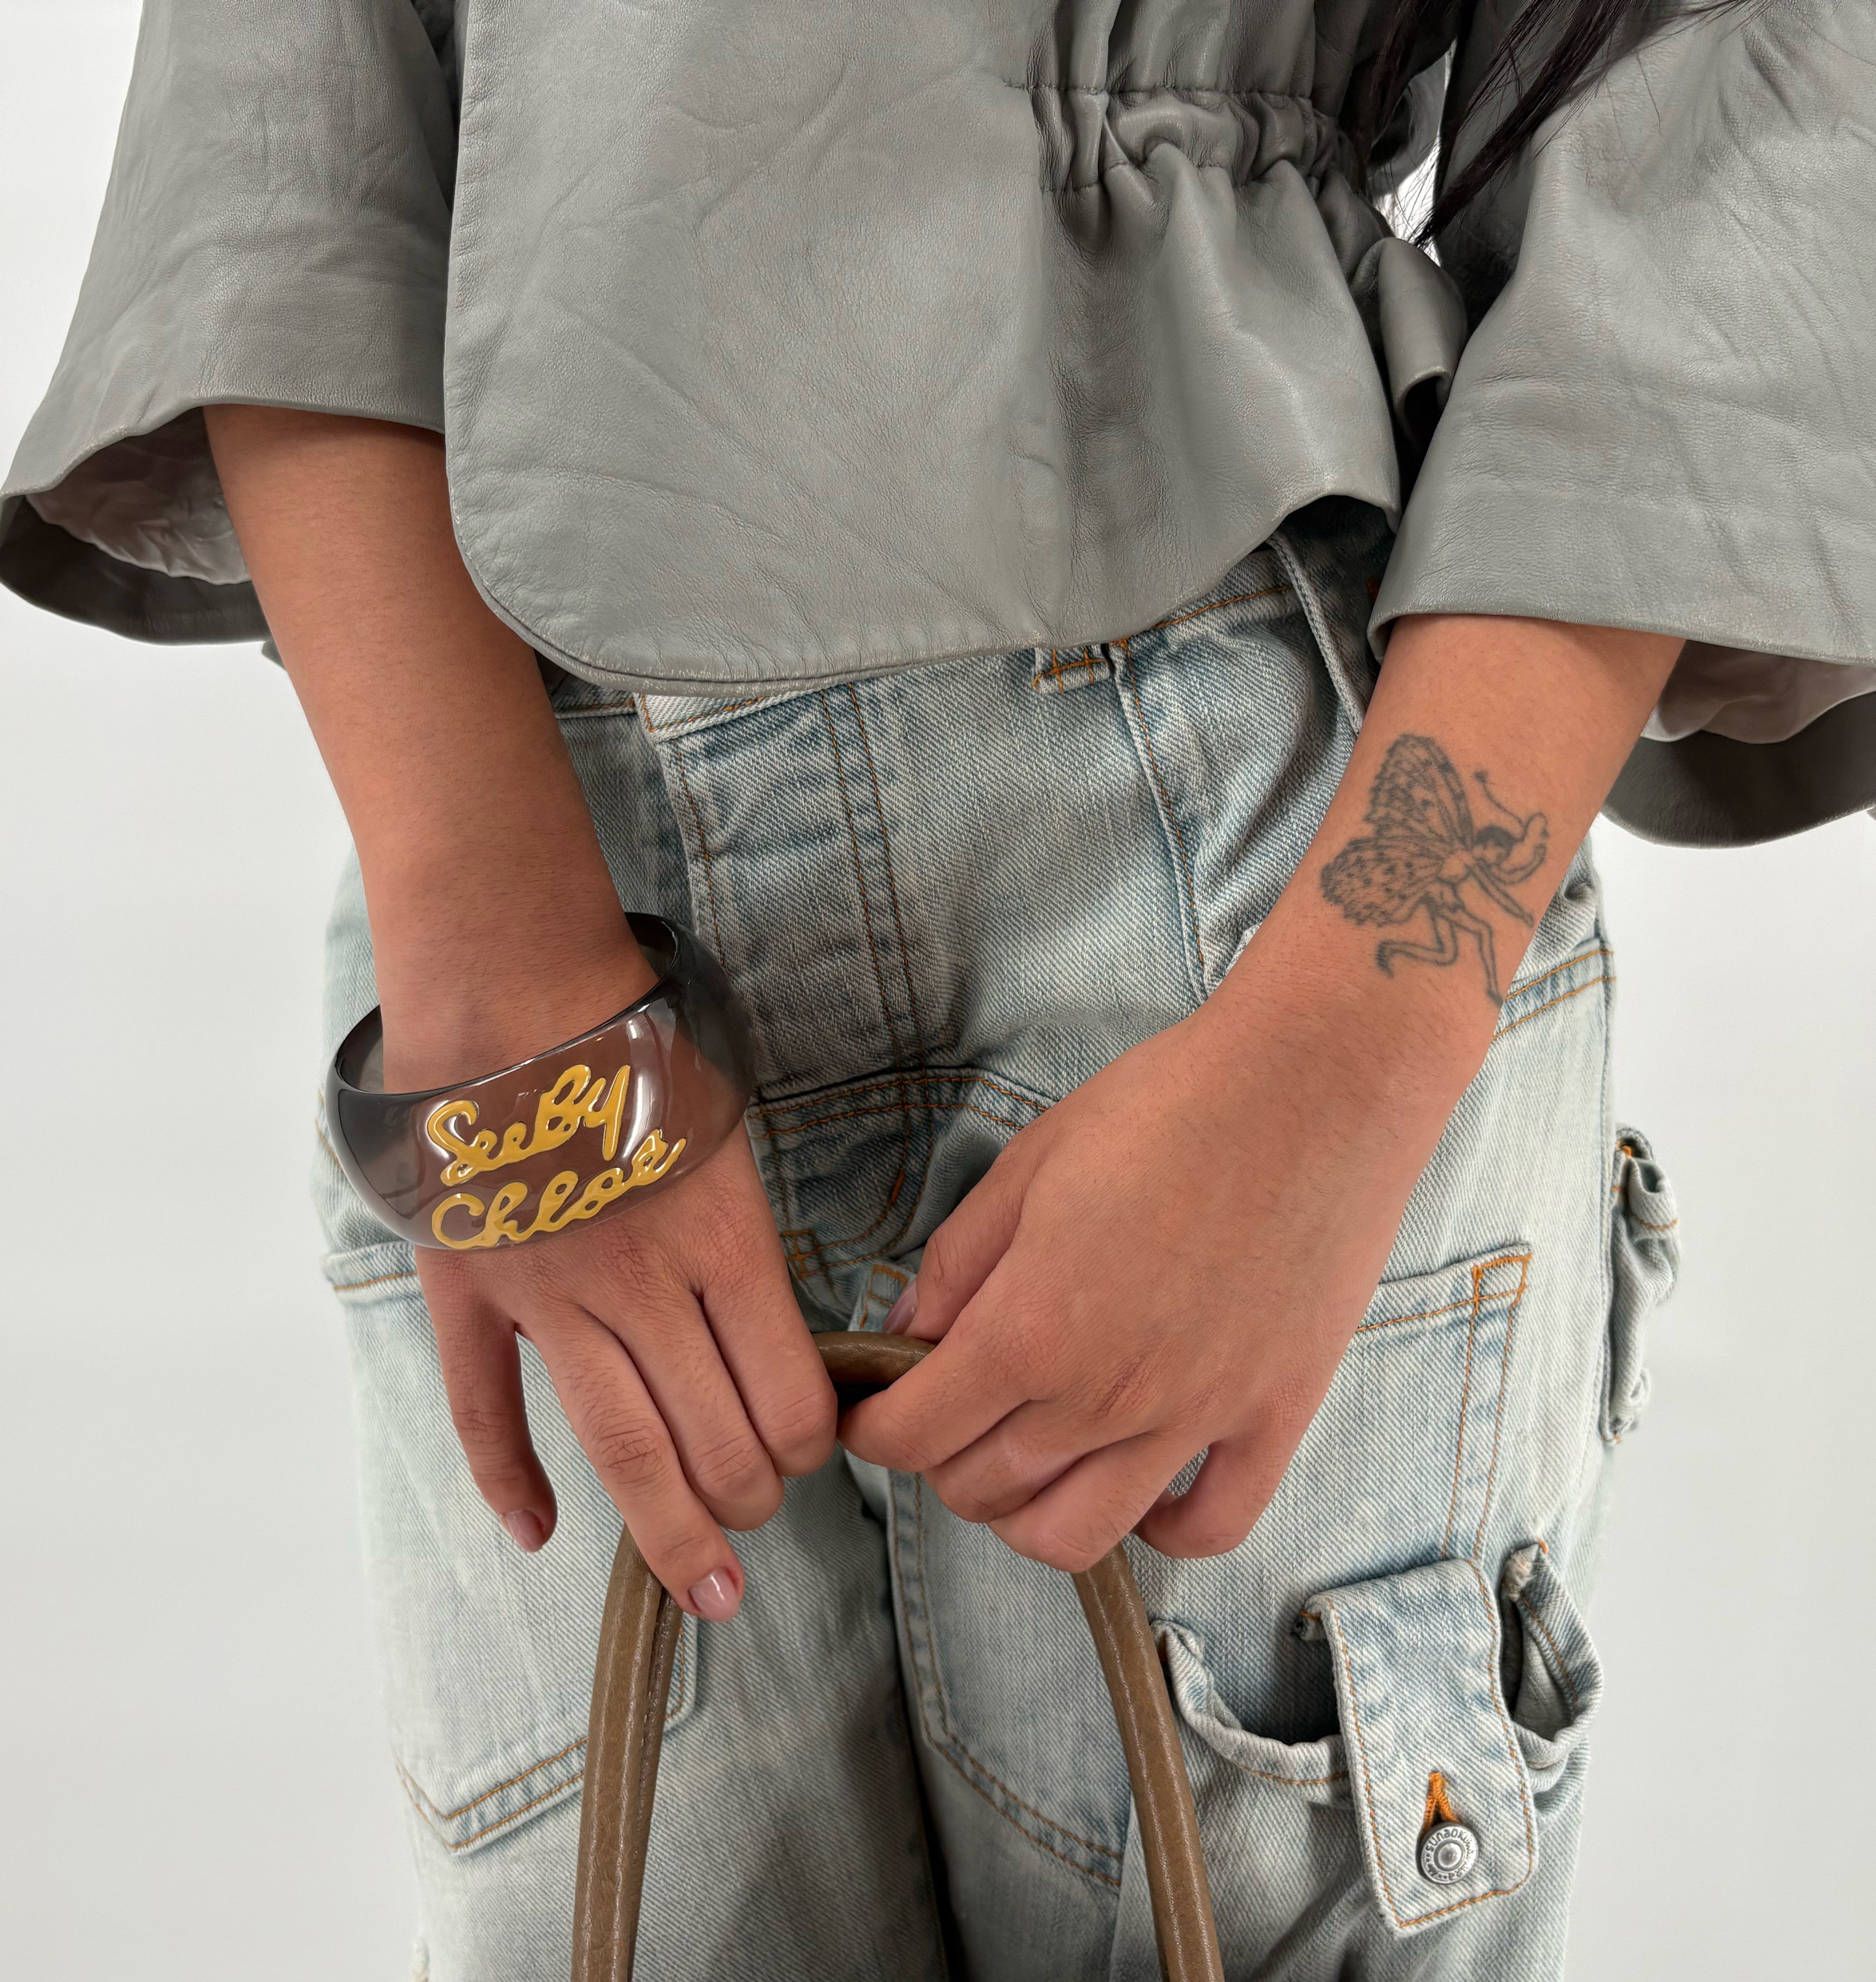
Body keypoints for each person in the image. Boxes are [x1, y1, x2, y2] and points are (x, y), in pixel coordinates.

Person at [3, 1, 1869, 1975]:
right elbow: (282, 93)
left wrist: (1344, 1040)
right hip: (524, 852)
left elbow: (1736, 82)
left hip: (1254, 896)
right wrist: (486, 944)